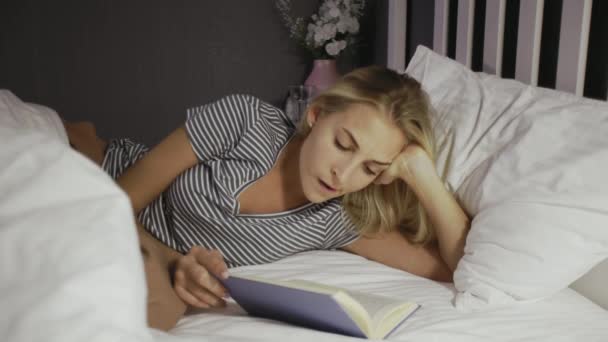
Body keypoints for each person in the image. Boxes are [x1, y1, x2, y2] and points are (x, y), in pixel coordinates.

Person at [65, 66, 470, 331]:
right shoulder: (246, 122)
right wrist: (174, 264)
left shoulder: (336, 218)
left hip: (147, 253)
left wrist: (423, 176)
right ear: (316, 116)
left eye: (370, 168)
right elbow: (121, 200)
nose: (343, 175)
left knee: (142, 309)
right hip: (99, 179)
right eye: (343, 144)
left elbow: (458, 268)